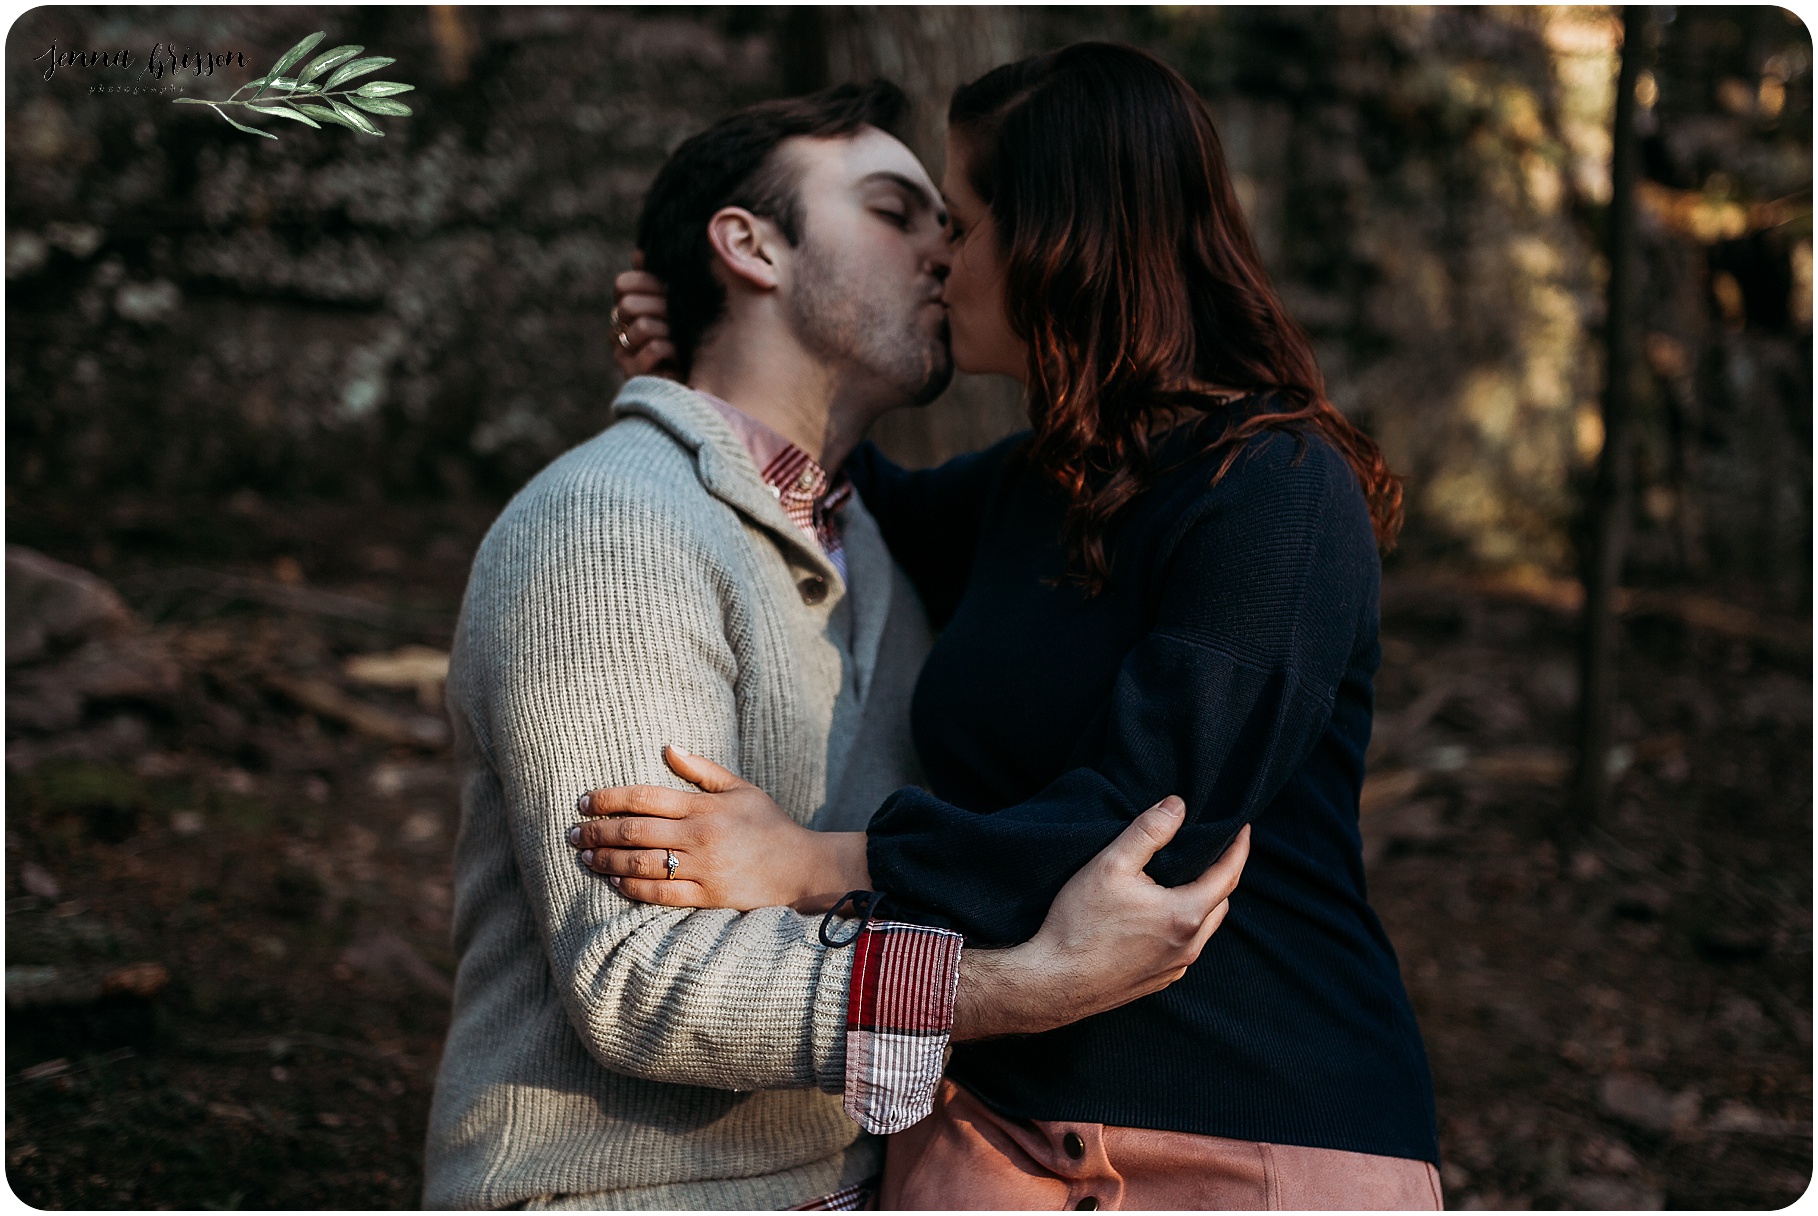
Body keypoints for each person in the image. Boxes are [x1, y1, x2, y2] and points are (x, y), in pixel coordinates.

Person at [593, 43, 1441, 1210]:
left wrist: (812, 863)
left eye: (965, 221)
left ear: (1062, 236)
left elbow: (1145, 825)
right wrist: (712, 350)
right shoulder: (1031, 489)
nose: (942, 254)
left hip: (1243, 1131)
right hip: (984, 1130)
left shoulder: (1274, 491)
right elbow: (827, 495)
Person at [422, 79, 1249, 1211]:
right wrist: (1016, 987)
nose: (946, 254)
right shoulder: (613, 528)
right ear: (751, 247)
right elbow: (640, 977)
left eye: (951, 224)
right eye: (895, 213)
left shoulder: (880, 548)